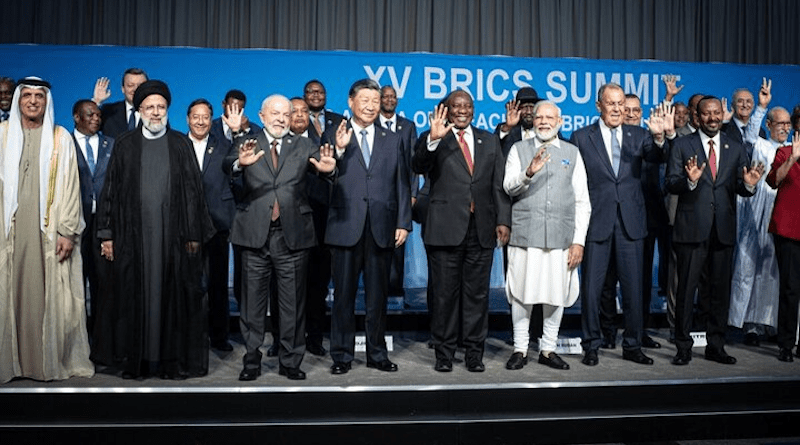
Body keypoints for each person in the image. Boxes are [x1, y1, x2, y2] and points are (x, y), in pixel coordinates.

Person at [93, 80, 215, 379]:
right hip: (133, 240)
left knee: (173, 297)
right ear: (140, 110)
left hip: (172, 239)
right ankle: (137, 359)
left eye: (161, 107)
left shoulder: (180, 143)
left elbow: (193, 194)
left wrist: (193, 236)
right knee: (132, 298)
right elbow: (109, 192)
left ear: (167, 110)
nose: (156, 112)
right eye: (150, 107)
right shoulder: (125, 144)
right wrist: (107, 235)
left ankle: (169, 360)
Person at [224, 94, 336, 381]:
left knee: (292, 304)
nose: (280, 119)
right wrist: (240, 163)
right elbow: (229, 165)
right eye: (274, 114)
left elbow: (324, 166)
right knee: (252, 305)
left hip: (293, 235)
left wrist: (330, 167)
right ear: (261, 116)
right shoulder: (247, 141)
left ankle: (290, 361)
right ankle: (251, 360)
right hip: (253, 235)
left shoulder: (302, 143)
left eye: (285, 115)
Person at [568, 82, 672, 367]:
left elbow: (659, 155)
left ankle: (633, 344)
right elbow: (573, 182)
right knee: (592, 289)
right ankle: (591, 344)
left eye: (620, 104)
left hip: (631, 222)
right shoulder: (580, 137)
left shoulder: (640, 135)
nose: (616, 109)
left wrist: (661, 137)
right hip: (596, 221)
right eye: (611, 104)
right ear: (598, 105)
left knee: (634, 289)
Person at [0, 77, 94, 383]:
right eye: (26, 95)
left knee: (50, 296)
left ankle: (45, 362)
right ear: (17, 100)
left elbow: (70, 187)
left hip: (48, 233)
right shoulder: (2, 135)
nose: (32, 101)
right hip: (10, 233)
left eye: (38, 96)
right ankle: (11, 363)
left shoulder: (60, 137)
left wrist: (67, 231)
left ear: (46, 101)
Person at [413, 90, 511, 373]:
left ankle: (473, 354)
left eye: (467, 106)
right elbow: (417, 166)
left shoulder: (489, 140)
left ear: (474, 110)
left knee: (477, 296)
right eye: (456, 106)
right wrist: (432, 139)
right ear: (445, 109)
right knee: (444, 295)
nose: (462, 110)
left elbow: (498, 185)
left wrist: (503, 220)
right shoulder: (433, 136)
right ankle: (444, 354)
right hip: (444, 229)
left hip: (480, 229)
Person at [666, 95, 763, 366]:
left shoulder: (735, 146)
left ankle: (715, 345)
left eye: (717, 113)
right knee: (686, 291)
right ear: (698, 117)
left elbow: (739, 187)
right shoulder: (682, 144)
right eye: (707, 114)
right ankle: (683, 346)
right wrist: (690, 181)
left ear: (723, 114)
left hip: (723, 230)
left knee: (719, 293)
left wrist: (750, 185)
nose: (713, 118)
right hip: (691, 230)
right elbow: (671, 182)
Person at [324, 79, 412, 375]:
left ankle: (377, 354)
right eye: (365, 100)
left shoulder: (392, 138)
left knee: (378, 298)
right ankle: (341, 355)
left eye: (375, 101)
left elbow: (401, 181)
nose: (371, 106)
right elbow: (322, 178)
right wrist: (337, 150)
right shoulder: (333, 133)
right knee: (343, 298)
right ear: (351, 102)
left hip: (381, 227)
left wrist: (403, 222)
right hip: (345, 224)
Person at [503, 100, 590, 371]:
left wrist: (579, 241)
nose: (543, 122)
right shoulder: (518, 149)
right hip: (525, 235)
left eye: (549, 118)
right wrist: (529, 172)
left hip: (560, 238)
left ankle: (548, 349)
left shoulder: (572, 153)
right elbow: (508, 187)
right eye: (539, 117)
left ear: (560, 122)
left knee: (556, 294)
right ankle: (520, 348)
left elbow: (582, 201)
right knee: (521, 293)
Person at [729, 90, 784, 348]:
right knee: (748, 267)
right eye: (779, 123)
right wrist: (761, 107)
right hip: (757, 209)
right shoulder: (759, 143)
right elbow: (749, 134)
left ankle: (770, 323)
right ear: (769, 125)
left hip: (782, 213)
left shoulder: (792, 148)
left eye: (787, 124)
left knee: (772, 272)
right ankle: (749, 325)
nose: (784, 128)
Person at [186, 98, 235, 352]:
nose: (201, 121)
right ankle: (190, 336)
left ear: (212, 119)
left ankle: (219, 337)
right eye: (196, 116)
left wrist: (237, 132)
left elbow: (239, 166)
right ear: (188, 119)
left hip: (217, 223)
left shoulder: (224, 145)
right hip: (185, 228)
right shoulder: (177, 145)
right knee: (189, 284)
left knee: (217, 284)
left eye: (206, 117)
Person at [71, 99, 114, 335]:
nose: (96, 119)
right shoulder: (64, 143)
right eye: (90, 115)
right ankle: (77, 339)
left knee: (103, 284)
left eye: (98, 115)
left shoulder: (111, 144)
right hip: (75, 222)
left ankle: (101, 340)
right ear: (77, 117)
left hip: (104, 223)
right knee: (75, 283)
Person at [290, 96, 328, 357]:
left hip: (320, 225)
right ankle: (286, 338)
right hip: (287, 226)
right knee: (286, 287)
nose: (301, 115)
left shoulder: (323, 146)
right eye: (295, 111)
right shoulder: (276, 144)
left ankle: (315, 338)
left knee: (317, 286)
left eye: (305, 111)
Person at [378, 84, 419, 298]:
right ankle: (376, 293)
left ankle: (395, 295)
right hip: (375, 195)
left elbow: (413, 164)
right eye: (385, 96)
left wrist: (412, 194)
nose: (389, 99)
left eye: (393, 96)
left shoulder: (408, 126)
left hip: (400, 196)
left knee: (397, 247)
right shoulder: (371, 125)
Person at [766, 130, 800, 362]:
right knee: (790, 288)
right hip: (789, 230)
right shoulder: (785, 152)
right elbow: (773, 181)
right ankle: (786, 345)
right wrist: (792, 160)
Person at [92, 68, 148, 138]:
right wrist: (96, 102)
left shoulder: (155, 113)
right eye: (130, 85)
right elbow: (86, 128)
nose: (135, 89)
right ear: (123, 89)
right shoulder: (108, 112)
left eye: (140, 86)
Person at [495, 87, 542, 157]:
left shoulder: (545, 129)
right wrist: (508, 127)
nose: (528, 112)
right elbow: (493, 148)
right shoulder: (509, 130)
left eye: (532, 107)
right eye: (525, 107)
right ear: (517, 109)